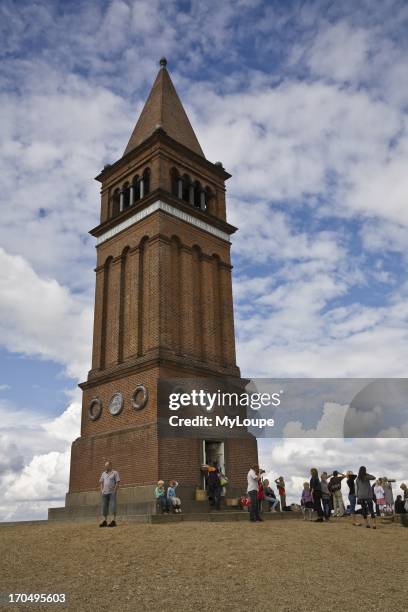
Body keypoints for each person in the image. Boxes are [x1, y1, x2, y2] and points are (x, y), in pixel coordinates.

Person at [99, 461, 120, 527]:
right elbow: (101, 482)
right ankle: (105, 521)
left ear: (110, 465)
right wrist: (101, 490)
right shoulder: (103, 473)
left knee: (113, 506)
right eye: (105, 466)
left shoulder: (115, 473)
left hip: (112, 493)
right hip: (104, 493)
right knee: (104, 507)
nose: (105, 467)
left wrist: (115, 491)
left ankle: (113, 521)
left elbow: (117, 482)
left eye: (107, 465)